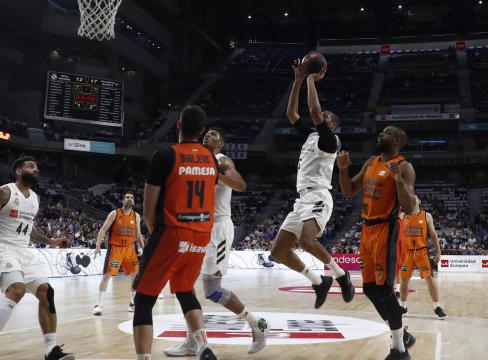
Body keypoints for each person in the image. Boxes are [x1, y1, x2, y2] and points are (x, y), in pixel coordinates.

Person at [164, 127, 270, 356]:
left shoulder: (222, 160)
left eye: (213, 133)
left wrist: (216, 174)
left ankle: (257, 323)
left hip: (218, 228)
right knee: (185, 284)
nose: (207, 135)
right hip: (197, 226)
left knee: (212, 290)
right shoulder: (198, 161)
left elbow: (241, 185)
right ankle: (193, 341)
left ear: (221, 143)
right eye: (206, 132)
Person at [134, 105, 218, 360]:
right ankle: (204, 346)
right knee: (184, 290)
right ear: (202, 131)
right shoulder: (212, 159)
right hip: (202, 234)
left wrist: (154, 233)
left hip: (173, 233)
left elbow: (149, 207)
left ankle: (144, 358)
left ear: (178, 124)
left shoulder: (165, 156)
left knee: (144, 300)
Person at [270, 59, 355, 309]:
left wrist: (309, 78)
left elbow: (315, 112)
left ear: (334, 126)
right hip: (301, 199)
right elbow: (292, 114)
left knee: (307, 241)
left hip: (318, 195)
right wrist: (297, 81)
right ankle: (318, 281)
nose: (322, 117)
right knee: (278, 252)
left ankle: (341, 275)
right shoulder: (310, 136)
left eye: (328, 118)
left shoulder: (331, 141)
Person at [0, 156, 74, 360]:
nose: (36, 170)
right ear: (18, 171)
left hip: (24, 251)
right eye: (30, 166)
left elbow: (29, 230)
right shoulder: (4, 192)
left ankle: (51, 349)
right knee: (16, 290)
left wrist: (51, 241)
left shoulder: (35, 198)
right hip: (2, 248)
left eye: (36, 167)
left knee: (47, 292)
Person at [338, 126, 417, 360]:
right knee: (371, 289)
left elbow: (410, 207)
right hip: (367, 229)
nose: (379, 135)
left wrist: (399, 181)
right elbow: (350, 190)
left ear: (395, 139)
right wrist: (343, 170)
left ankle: (399, 350)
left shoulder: (404, 166)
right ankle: (402, 334)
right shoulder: (371, 162)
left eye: (384, 132)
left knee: (384, 289)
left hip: (387, 229)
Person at [93, 192, 145, 315]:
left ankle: (132, 302)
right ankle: (98, 304)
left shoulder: (136, 216)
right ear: (123, 200)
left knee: (135, 276)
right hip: (115, 249)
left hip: (130, 249)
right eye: (127, 197)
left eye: (132, 198)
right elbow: (103, 229)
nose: (130, 199)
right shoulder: (115, 213)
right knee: (107, 276)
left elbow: (138, 235)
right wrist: (98, 245)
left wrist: (145, 250)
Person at [398, 196, 446, 319]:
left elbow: (434, 235)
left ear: (419, 201)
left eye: (415, 198)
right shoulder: (403, 216)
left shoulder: (426, 216)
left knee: (429, 278)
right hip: (407, 252)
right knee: (404, 280)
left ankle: (437, 307)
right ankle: (403, 306)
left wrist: (438, 252)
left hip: (422, 252)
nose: (413, 199)